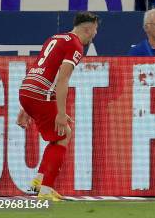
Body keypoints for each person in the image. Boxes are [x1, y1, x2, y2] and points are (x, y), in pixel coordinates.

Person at [16, 11, 100, 201]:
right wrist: (61, 113)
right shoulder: (76, 45)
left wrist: (26, 107)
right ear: (87, 28)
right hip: (39, 93)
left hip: (27, 89)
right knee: (64, 134)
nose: (94, 35)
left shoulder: (55, 37)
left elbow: (42, 67)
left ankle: (38, 181)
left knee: (58, 136)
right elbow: (63, 79)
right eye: (94, 31)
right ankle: (46, 191)